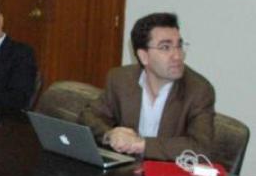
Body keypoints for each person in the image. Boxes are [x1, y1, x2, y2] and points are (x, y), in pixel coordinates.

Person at [79, 12, 215, 160]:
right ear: (144, 56)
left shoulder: (198, 90)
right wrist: (109, 134)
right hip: (126, 172)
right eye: (165, 47)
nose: (177, 56)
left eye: (179, 46)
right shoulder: (120, 80)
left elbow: (201, 148)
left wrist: (140, 144)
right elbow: (88, 117)